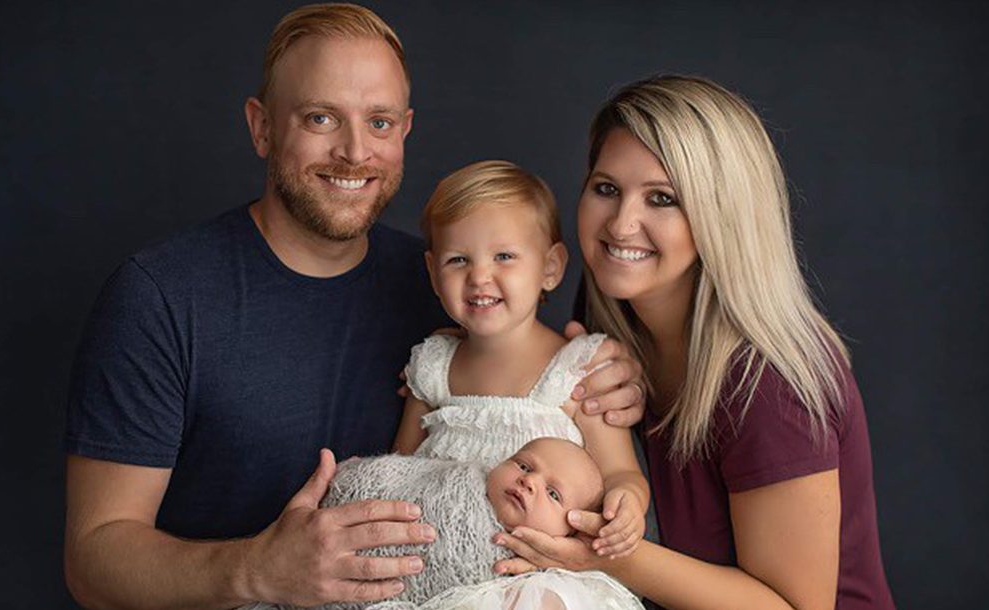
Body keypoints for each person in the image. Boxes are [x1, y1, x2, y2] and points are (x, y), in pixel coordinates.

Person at [63, 5, 645, 610]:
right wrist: (254, 569)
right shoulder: (161, 296)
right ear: (262, 127)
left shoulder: (452, 286)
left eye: (381, 123)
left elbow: (533, 370)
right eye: (320, 118)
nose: (354, 151)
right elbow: (94, 560)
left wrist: (604, 376)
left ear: (406, 130)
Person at [492, 76, 897, 610]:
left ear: (721, 217)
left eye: (663, 199)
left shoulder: (768, 382)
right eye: (606, 188)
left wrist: (607, 554)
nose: (621, 223)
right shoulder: (612, 316)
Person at [394, 160, 649, 558]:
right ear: (432, 272)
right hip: (440, 570)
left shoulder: (578, 370)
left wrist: (627, 503)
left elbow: (620, 472)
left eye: (504, 257)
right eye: (458, 260)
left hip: (537, 571)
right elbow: (402, 471)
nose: (479, 276)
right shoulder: (432, 368)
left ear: (550, 267)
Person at [251, 438, 640, 610]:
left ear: (568, 536)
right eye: (523, 465)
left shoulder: (530, 574)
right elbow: (407, 471)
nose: (529, 481)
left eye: (553, 494)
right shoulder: (466, 475)